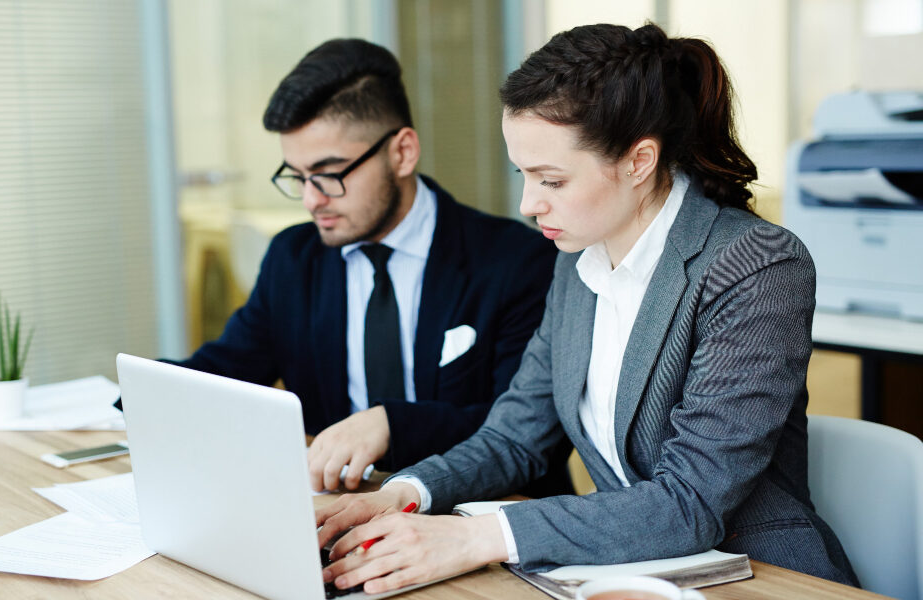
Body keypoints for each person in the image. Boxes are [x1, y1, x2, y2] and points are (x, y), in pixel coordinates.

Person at [314, 23, 859, 595]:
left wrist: (475, 537)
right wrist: (403, 493)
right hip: (630, 571)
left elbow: (690, 502)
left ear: (638, 161)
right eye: (522, 174)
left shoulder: (754, 265)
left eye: (551, 179)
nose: (529, 203)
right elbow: (515, 436)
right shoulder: (577, 257)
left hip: (765, 577)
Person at [132, 38, 572, 496]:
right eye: (298, 177)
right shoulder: (293, 257)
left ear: (402, 152)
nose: (311, 199)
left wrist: (389, 426)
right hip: (340, 508)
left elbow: (528, 429)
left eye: (329, 174)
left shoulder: (516, 261)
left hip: (482, 513)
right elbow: (228, 371)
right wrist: (137, 398)